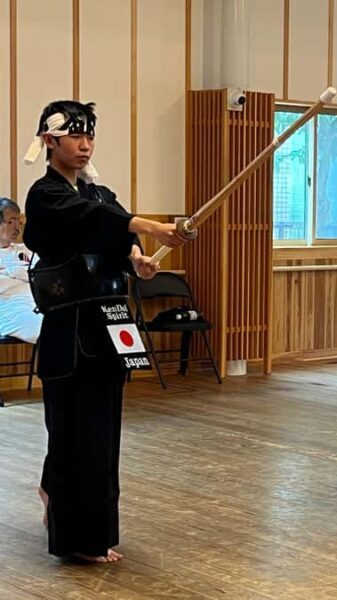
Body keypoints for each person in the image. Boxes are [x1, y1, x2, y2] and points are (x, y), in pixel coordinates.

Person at [22, 100, 189, 562]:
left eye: (89, 135)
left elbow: (117, 232)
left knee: (102, 432)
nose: (85, 144)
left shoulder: (100, 193)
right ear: (50, 141)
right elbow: (94, 223)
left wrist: (138, 257)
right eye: (75, 136)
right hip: (70, 329)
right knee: (75, 431)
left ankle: (74, 509)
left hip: (110, 326)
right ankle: (78, 540)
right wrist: (152, 226)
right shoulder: (47, 196)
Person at [0, 197, 41, 343]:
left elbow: (39, 276)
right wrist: (23, 274)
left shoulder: (27, 250)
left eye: (18, 220)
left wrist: (9, 272)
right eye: (10, 222)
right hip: (9, 308)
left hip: (36, 303)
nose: (16, 227)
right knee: (47, 330)